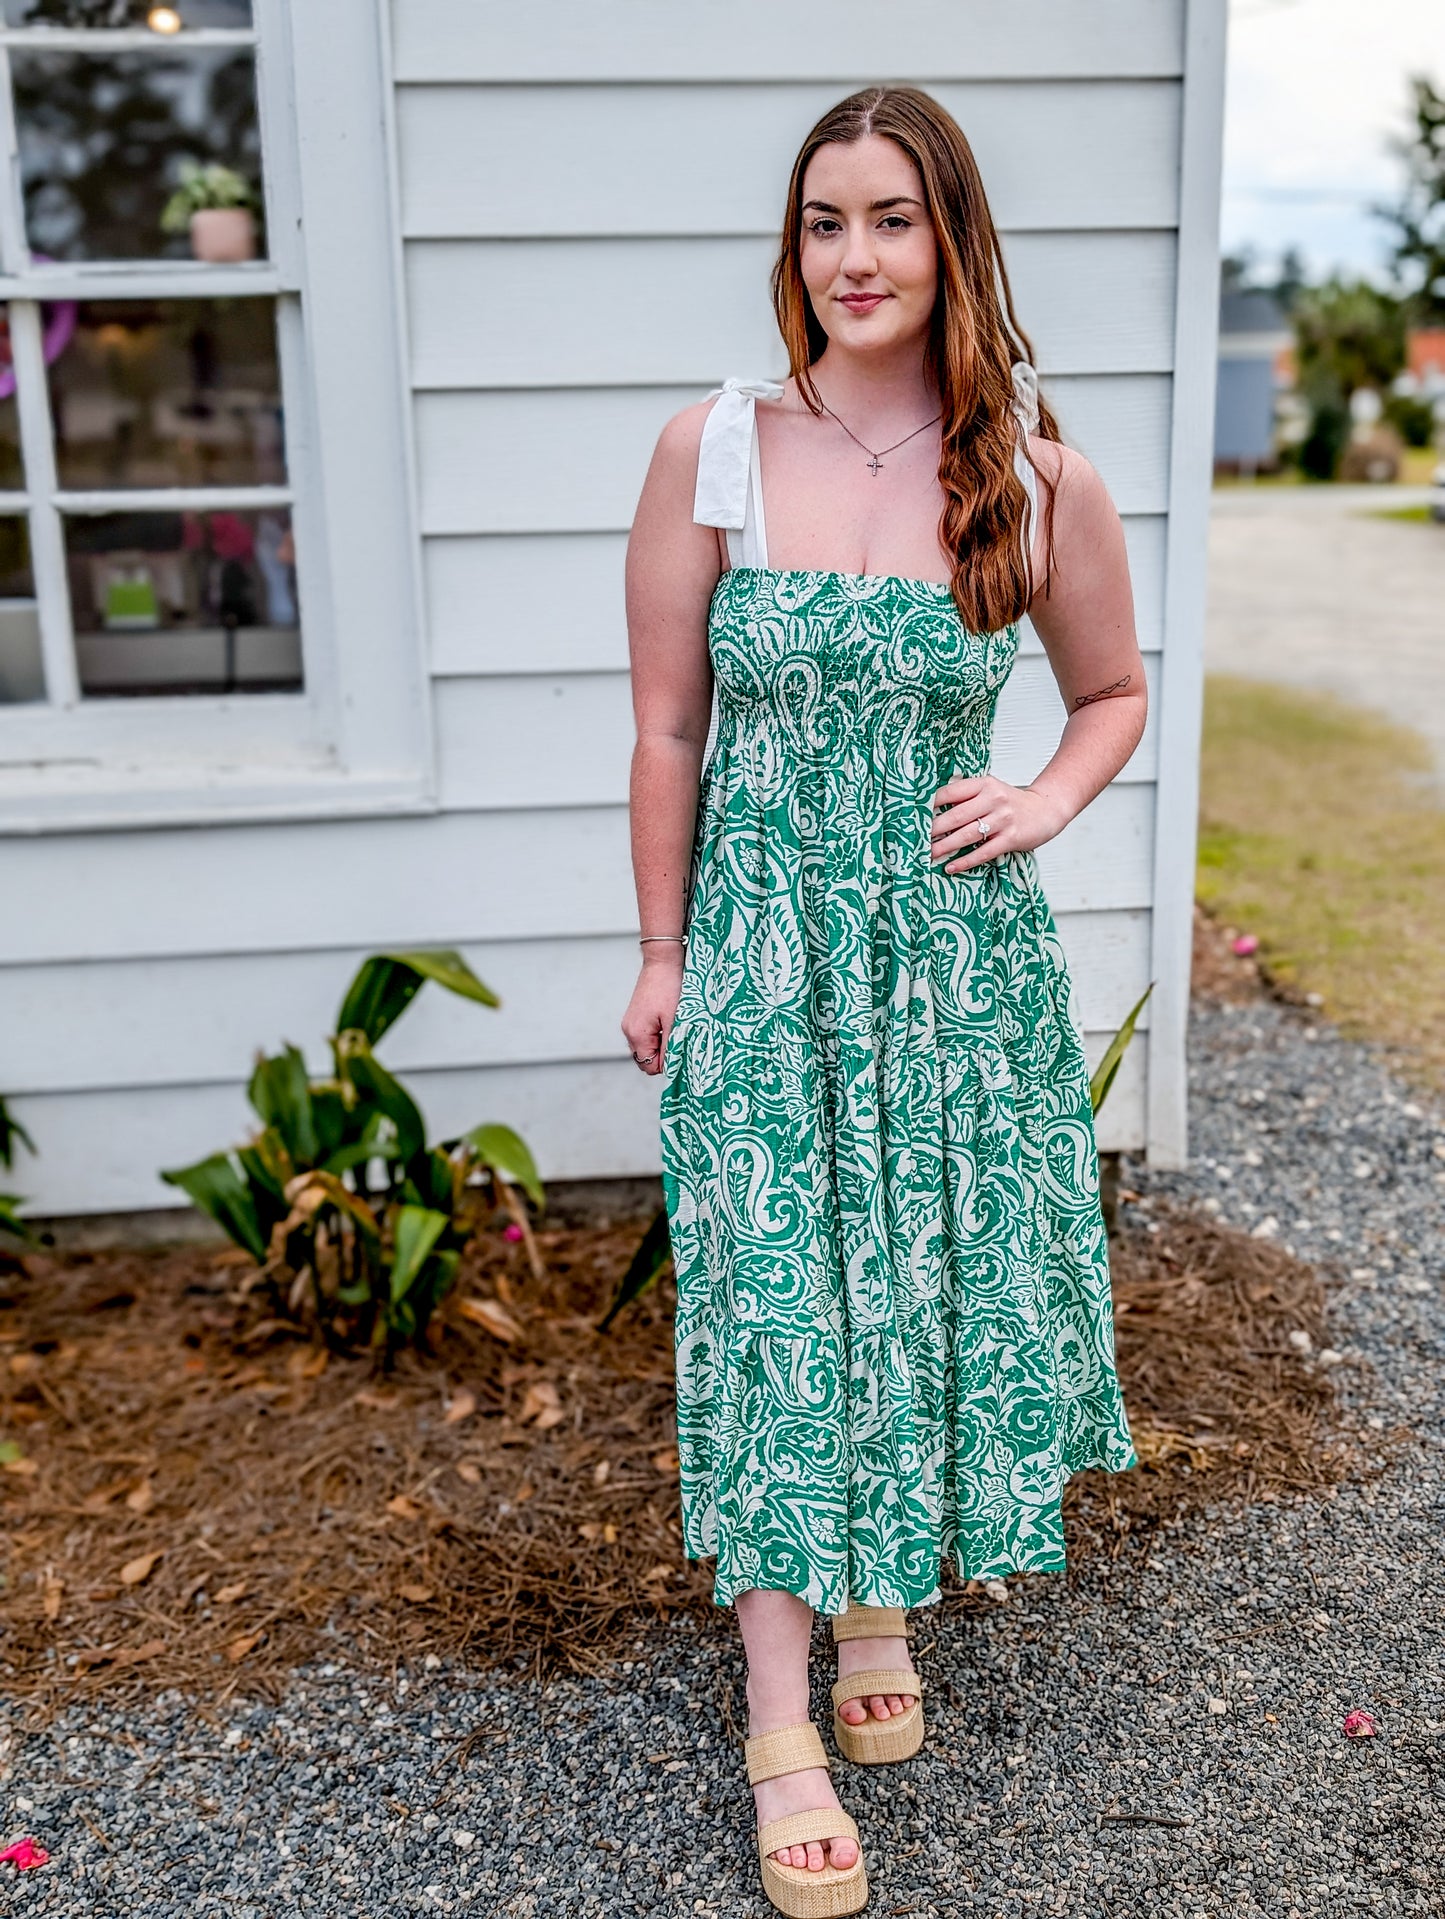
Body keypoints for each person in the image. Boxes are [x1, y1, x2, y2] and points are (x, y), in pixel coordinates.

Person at [622, 84, 1140, 1918]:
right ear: (796, 245)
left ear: (952, 240)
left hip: (946, 966)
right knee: (774, 1302)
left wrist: (1050, 796)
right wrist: (667, 951)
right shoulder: (715, 451)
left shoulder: (1029, 473)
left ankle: (872, 1591)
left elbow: (1109, 693)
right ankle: (782, 1719)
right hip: (763, 955)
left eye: (892, 220)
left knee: (904, 1284)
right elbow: (671, 723)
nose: (856, 256)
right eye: (825, 220)